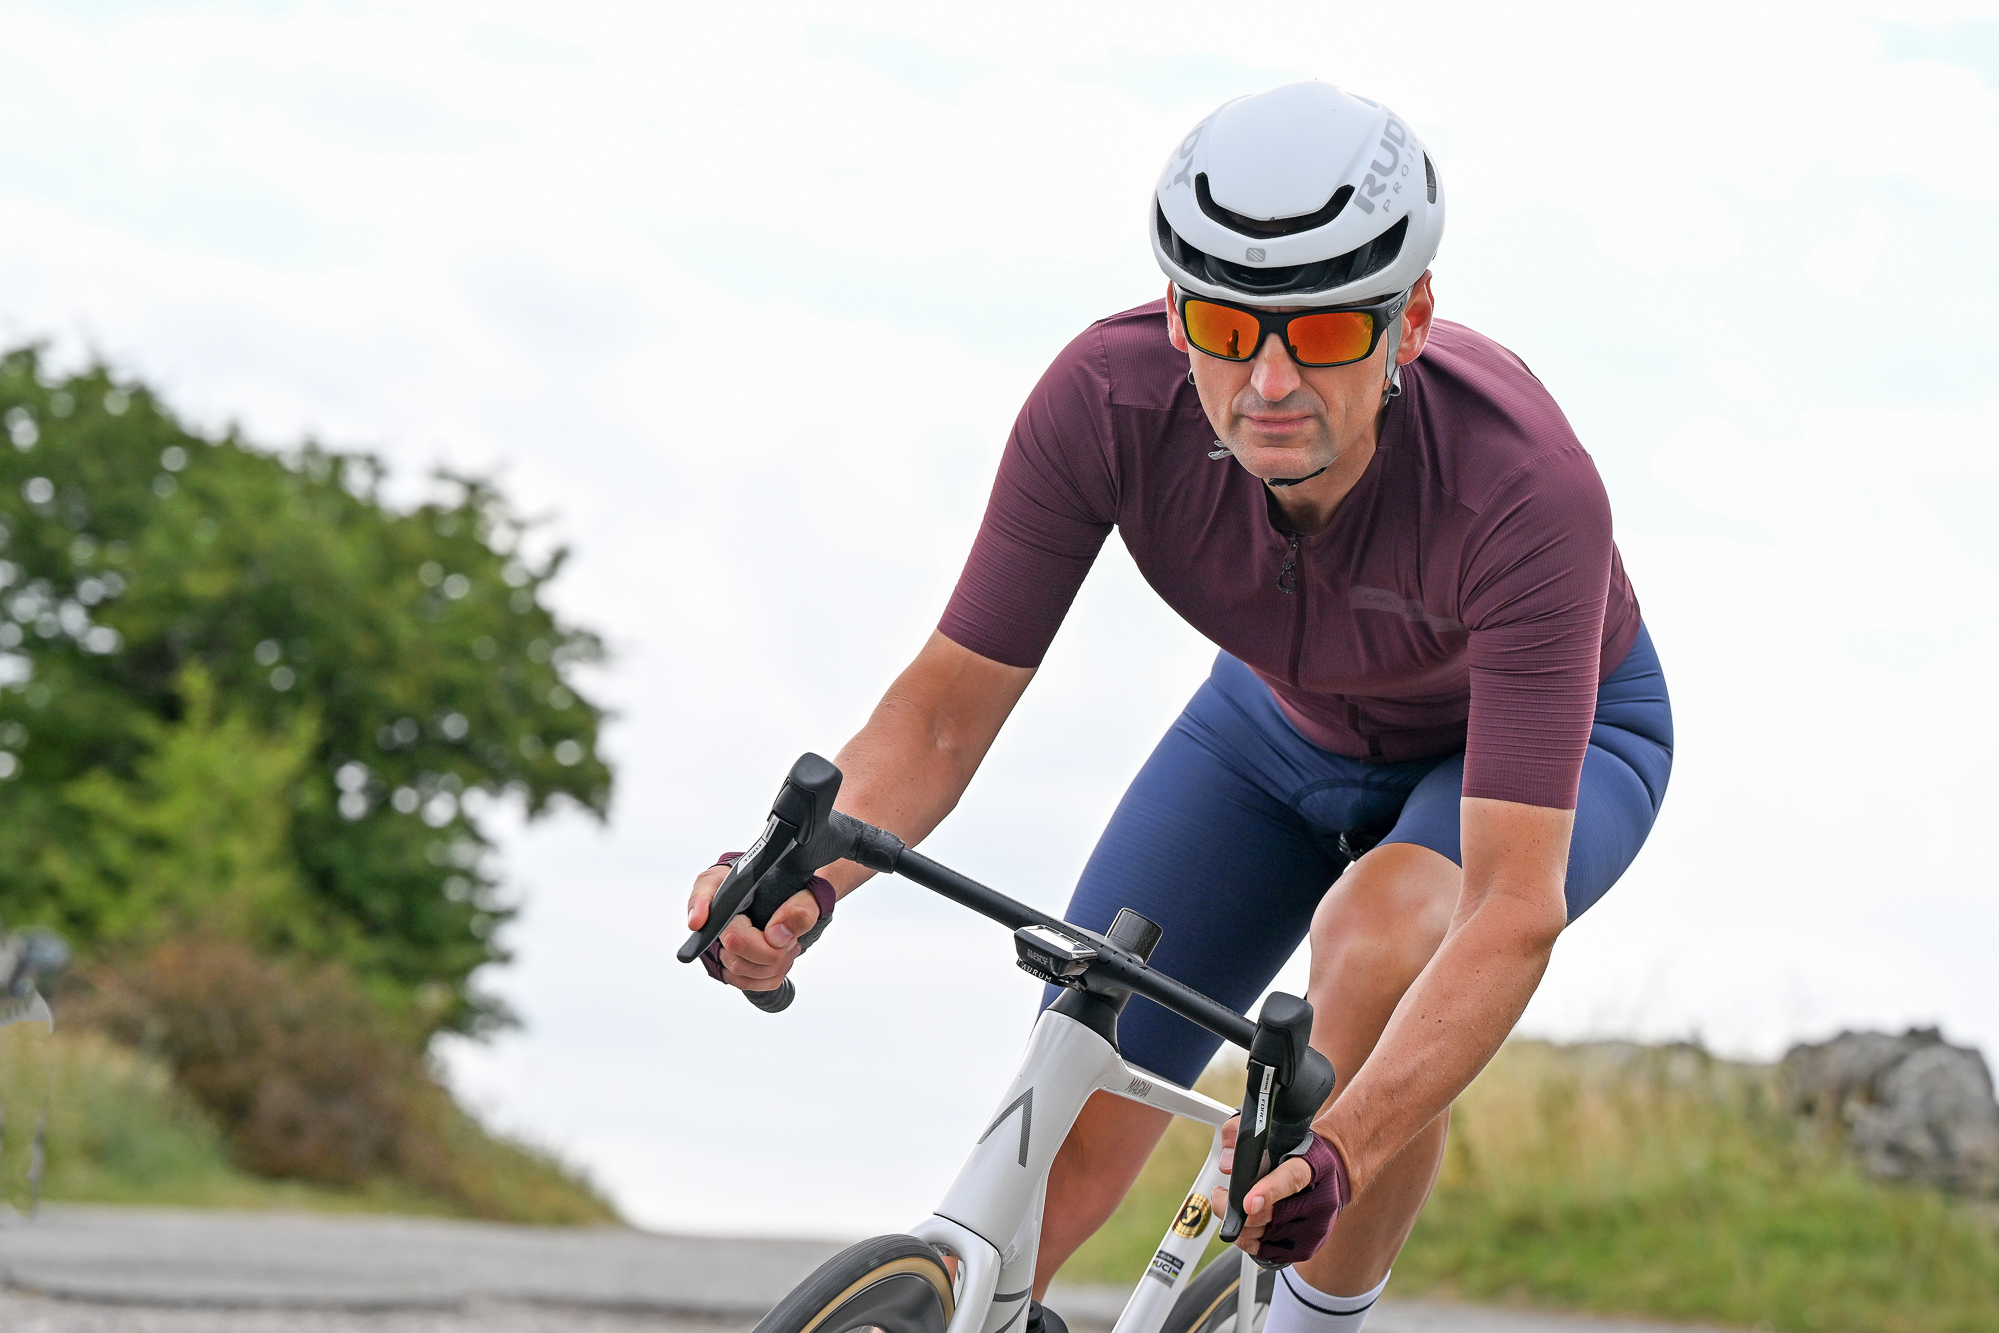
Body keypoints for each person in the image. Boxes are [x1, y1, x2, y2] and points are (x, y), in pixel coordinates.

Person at [687, 80, 1672, 1333]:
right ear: (1172, 308)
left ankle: (1312, 1323)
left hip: (1549, 743)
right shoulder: (1103, 401)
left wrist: (1341, 1152)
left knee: (1379, 936)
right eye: (1221, 323)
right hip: (1276, 730)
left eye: (1316, 336)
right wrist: (805, 874)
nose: (1263, 380)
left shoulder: (1524, 487)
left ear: (1409, 318)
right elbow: (941, 714)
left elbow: (1508, 910)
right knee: (1084, 1053)